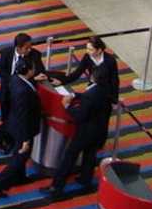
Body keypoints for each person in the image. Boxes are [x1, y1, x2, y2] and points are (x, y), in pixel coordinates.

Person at [42, 66, 111, 199]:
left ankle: (56, 187)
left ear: (92, 77)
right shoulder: (104, 89)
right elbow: (90, 97)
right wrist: (75, 94)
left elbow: (79, 116)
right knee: (90, 155)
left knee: (69, 157)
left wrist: (66, 106)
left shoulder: (90, 96)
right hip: (99, 131)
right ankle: (85, 179)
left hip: (85, 133)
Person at [0, 58, 41, 198]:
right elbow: (24, 116)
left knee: (21, 158)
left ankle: (20, 177)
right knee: (20, 157)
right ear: (29, 70)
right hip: (23, 129)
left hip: (14, 124)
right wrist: (25, 140)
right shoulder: (23, 92)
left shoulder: (15, 79)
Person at [0, 32, 46, 153]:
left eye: (30, 46)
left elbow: (40, 71)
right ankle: (4, 138)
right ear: (18, 47)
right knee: (7, 117)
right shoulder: (6, 53)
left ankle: (10, 137)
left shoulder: (35, 55)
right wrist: (13, 81)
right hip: (7, 92)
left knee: (18, 119)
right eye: (26, 47)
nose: (30, 49)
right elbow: (1, 71)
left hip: (22, 94)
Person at [51, 36, 120, 103]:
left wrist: (114, 100)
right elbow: (77, 73)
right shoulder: (87, 57)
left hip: (106, 90)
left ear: (99, 50)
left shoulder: (110, 60)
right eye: (87, 48)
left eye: (91, 49)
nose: (87, 51)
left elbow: (114, 80)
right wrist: (62, 81)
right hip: (93, 85)